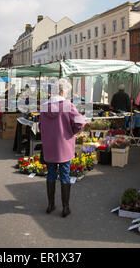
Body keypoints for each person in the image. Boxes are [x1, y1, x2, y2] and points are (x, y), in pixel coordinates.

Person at [39, 79, 85, 218]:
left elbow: (40, 127)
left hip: (49, 145)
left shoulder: (44, 106)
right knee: (65, 175)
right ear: (62, 91)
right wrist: (72, 131)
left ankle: (50, 204)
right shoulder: (66, 104)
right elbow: (79, 121)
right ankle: (65, 207)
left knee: (51, 174)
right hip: (64, 144)